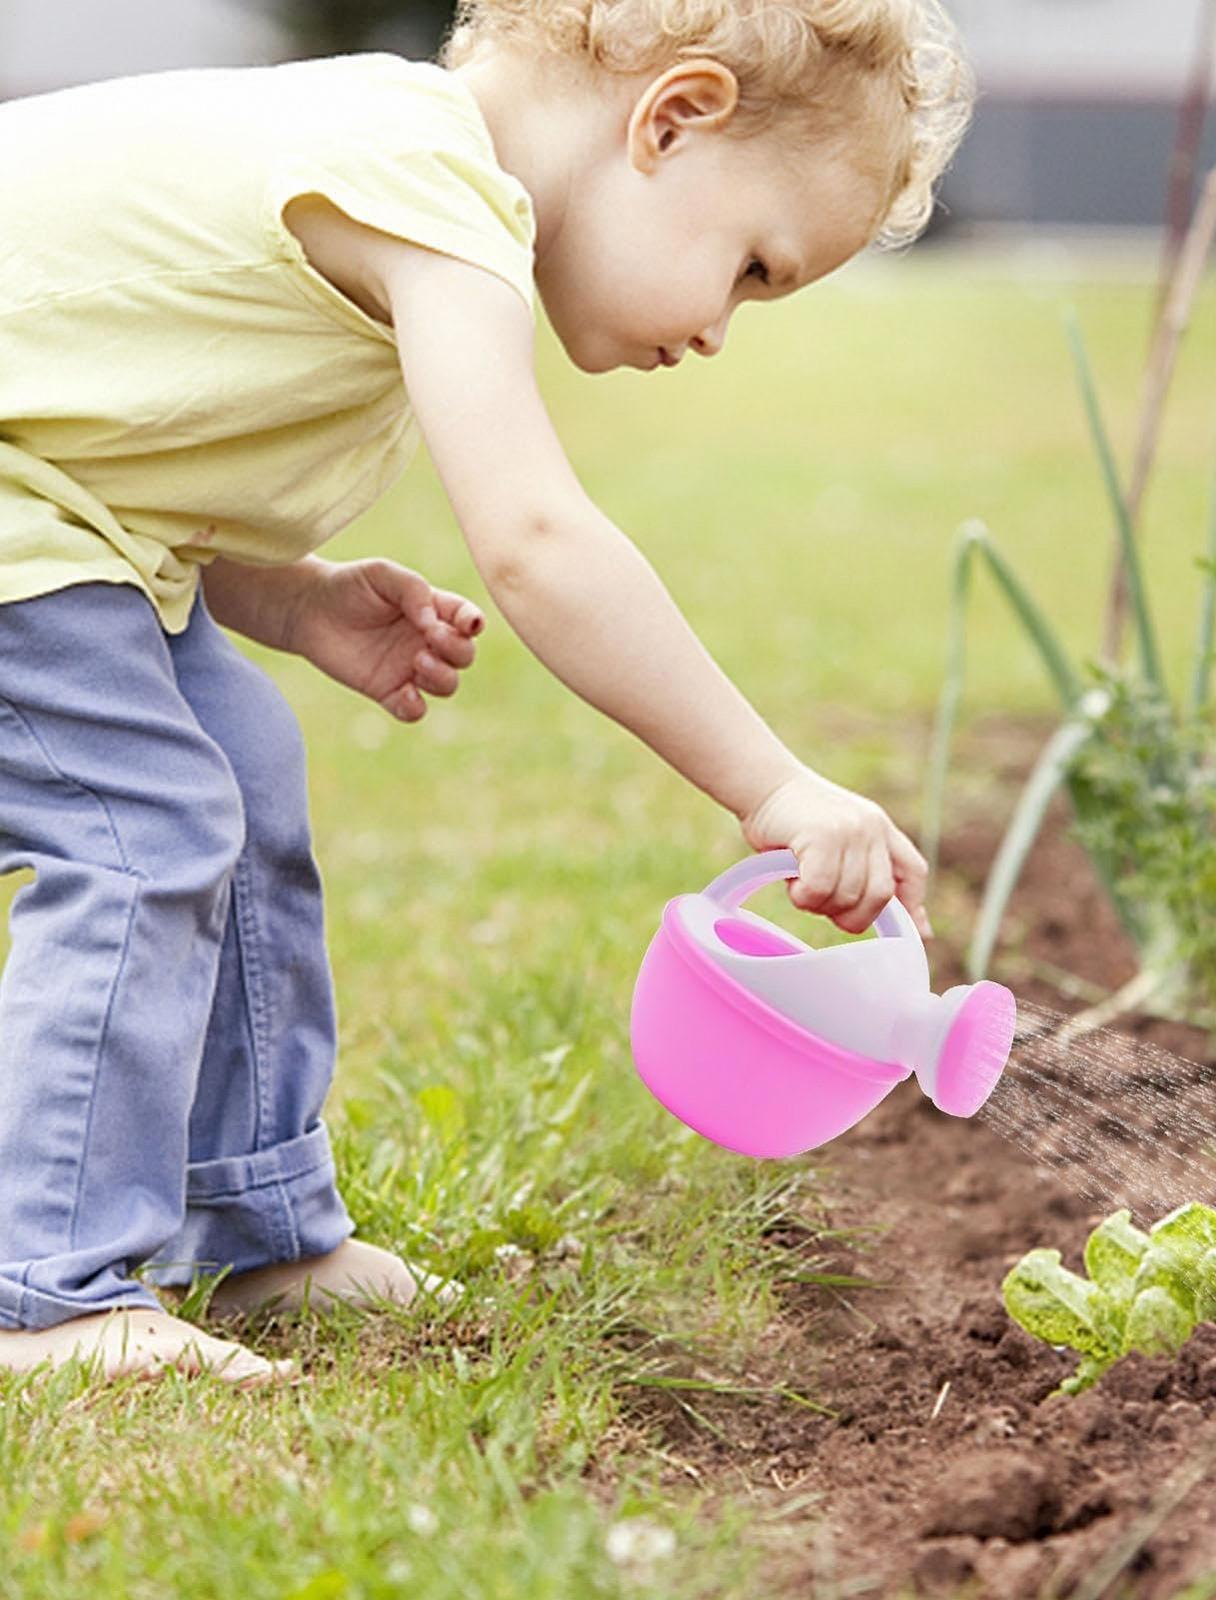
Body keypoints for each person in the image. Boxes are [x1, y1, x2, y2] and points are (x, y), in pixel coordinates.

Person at [0, 0, 974, 1386]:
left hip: (45, 518)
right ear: (673, 117)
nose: (719, 332)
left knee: (248, 762)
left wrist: (294, 594)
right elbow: (536, 543)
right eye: (754, 267)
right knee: (142, 823)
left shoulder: (398, 177)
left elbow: (98, 421)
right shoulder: (427, 183)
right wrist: (772, 783)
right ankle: (47, 1293)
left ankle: (254, 1222)